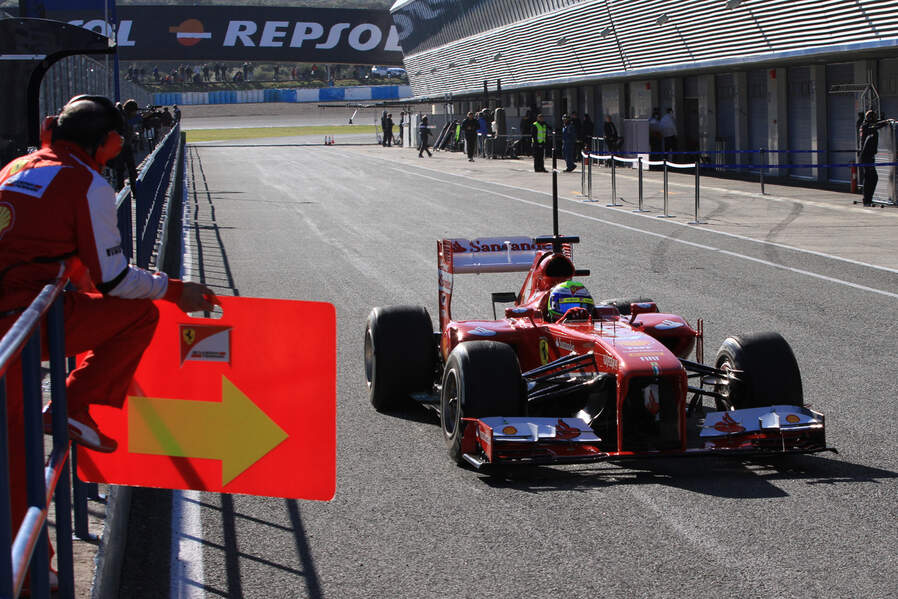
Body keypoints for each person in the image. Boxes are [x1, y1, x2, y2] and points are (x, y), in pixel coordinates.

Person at [0, 94, 217, 588]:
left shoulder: (16, 166)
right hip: (28, 321)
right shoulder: (87, 182)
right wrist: (174, 289)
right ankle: (74, 403)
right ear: (109, 142)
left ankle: (36, 570)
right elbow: (115, 282)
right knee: (139, 314)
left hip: (15, 320)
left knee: (13, 451)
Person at [858, 110, 892, 206]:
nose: (876, 119)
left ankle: (868, 199)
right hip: (866, 156)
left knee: (870, 177)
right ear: (871, 118)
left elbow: (875, 124)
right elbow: (874, 126)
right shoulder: (867, 126)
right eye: (875, 117)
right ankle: (867, 200)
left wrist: (884, 120)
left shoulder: (866, 124)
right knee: (871, 178)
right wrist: (886, 122)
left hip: (868, 156)